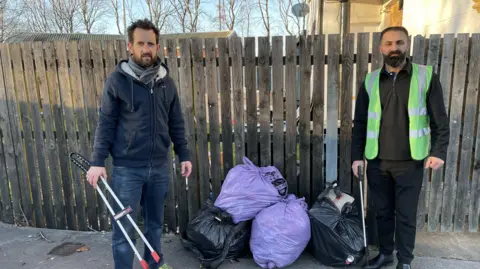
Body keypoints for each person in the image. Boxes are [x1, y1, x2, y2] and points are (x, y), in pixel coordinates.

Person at [87, 19, 192, 269]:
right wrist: (97, 161)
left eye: (151, 44)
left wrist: (184, 154)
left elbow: (176, 121)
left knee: (155, 226)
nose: (146, 49)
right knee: (124, 232)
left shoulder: (167, 82)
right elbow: (106, 122)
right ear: (130, 46)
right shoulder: (117, 81)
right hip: (127, 171)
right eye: (141, 43)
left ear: (158, 47)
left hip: (158, 168)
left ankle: (154, 265)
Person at [351, 26, 449, 269]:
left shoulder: (426, 76)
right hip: (376, 161)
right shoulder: (371, 80)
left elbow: (441, 121)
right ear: (381, 48)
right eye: (389, 43)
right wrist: (356, 157)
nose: (394, 48)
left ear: (407, 46)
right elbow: (360, 122)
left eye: (399, 43)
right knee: (382, 214)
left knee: (405, 216)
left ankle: (405, 261)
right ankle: (386, 254)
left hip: (411, 161)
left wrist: (438, 152)